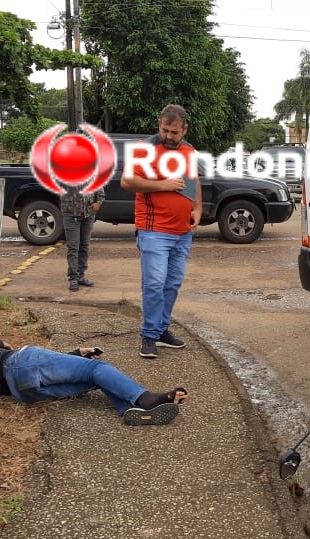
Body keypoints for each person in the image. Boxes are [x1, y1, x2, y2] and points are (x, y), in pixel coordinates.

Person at [120, 104, 202, 359]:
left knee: (172, 284)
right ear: (159, 125)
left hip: (182, 232)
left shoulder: (189, 151)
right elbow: (127, 181)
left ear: (184, 129)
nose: (168, 136)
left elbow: (194, 181)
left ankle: (161, 330)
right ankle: (148, 335)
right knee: (154, 284)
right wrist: (163, 184)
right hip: (154, 230)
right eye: (165, 130)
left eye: (174, 132)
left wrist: (198, 208)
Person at [0, 338, 188, 425]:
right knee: (97, 368)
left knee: (97, 379)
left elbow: (48, 366)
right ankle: (145, 398)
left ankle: (131, 410)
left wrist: (77, 353)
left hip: (21, 391)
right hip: (19, 361)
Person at [61, 185, 105, 292]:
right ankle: (73, 278)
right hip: (71, 214)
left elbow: (100, 189)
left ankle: (80, 275)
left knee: (84, 246)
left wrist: (98, 202)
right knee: (73, 247)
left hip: (88, 214)